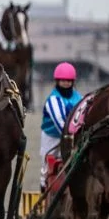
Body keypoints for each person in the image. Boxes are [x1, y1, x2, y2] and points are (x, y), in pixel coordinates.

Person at [40, 61, 82, 192]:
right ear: (57, 81)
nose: (66, 83)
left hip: (72, 135)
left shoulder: (78, 97)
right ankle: (44, 188)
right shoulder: (53, 100)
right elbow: (60, 124)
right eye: (63, 81)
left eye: (69, 81)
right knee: (48, 166)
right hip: (52, 137)